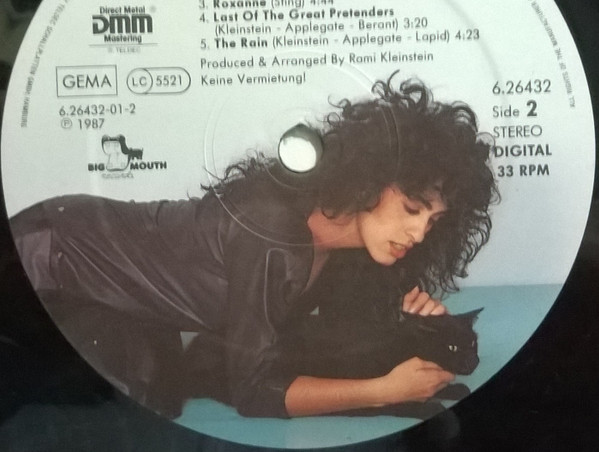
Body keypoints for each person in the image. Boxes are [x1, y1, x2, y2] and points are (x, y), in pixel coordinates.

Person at [9, 75, 498, 419]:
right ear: (371, 177)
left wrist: (414, 323)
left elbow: (316, 344)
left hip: (118, 301)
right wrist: (382, 391)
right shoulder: (274, 234)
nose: (420, 233)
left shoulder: (340, 250)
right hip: (47, 255)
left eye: (434, 221)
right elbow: (254, 391)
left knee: (151, 390)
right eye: (412, 208)